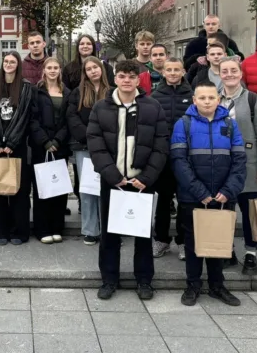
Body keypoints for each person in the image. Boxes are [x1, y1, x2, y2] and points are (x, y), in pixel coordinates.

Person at [88, 60, 168, 301]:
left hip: (141, 181)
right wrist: (112, 176)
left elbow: (160, 144)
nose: (126, 80)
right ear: (115, 78)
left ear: (137, 80)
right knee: (110, 234)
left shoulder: (153, 107)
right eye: (122, 76)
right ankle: (109, 280)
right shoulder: (101, 107)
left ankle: (144, 280)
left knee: (142, 234)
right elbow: (95, 144)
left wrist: (147, 177)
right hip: (113, 181)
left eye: (131, 76)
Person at [171, 80, 246, 307]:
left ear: (218, 99)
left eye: (211, 97)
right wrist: (199, 191)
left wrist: (228, 190)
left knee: (219, 243)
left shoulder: (230, 125)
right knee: (193, 244)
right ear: (194, 100)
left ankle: (217, 286)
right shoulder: (182, 124)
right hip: (193, 196)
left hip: (223, 197)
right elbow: (179, 161)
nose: (206, 101)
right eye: (202, 98)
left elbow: (240, 161)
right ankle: (192, 285)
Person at [219, 56, 257, 275]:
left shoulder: (253, 99)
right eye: (225, 71)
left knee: (249, 212)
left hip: (248, 165)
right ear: (220, 74)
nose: (229, 74)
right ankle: (227, 250)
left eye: (233, 70)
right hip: (221, 165)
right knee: (224, 210)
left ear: (240, 74)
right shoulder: (213, 98)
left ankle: (251, 253)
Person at [0, 50, 36, 245]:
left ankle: (18, 231)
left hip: (18, 146)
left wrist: (12, 142)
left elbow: (24, 117)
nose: (9, 64)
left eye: (13, 62)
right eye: (6, 61)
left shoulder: (25, 87)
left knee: (19, 190)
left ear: (18, 65)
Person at [150, 57, 193, 259]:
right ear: (163, 72)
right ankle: (161, 240)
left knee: (184, 202)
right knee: (164, 201)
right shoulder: (155, 96)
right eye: (169, 70)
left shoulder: (192, 95)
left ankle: (183, 241)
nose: (173, 73)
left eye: (177, 69)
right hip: (164, 157)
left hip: (186, 157)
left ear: (183, 71)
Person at [66, 56, 110, 245]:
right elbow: (72, 117)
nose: (93, 71)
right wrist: (88, 137)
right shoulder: (78, 93)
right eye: (89, 69)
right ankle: (91, 230)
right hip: (84, 147)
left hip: (108, 148)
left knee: (107, 189)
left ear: (102, 69)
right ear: (85, 73)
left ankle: (109, 230)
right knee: (88, 190)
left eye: (96, 67)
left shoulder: (112, 92)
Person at [29, 56, 70, 244]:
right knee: (42, 189)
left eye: (56, 67)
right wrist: (45, 141)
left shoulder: (67, 93)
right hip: (41, 147)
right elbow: (32, 120)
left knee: (59, 189)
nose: (53, 70)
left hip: (60, 147)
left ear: (60, 70)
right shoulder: (36, 92)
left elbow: (69, 120)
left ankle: (56, 227)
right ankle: (42, 228)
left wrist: (58, 140)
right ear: (43, 71)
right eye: (50, 67)